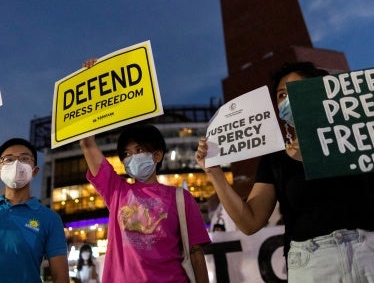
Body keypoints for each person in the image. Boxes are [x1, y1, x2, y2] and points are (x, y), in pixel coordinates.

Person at [195, 61, 374, 282]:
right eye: (281, 95)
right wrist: (214, 173)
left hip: (369, 253)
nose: (287, 100)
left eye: (296, 90)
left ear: (320, 92)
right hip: (313, 265)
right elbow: (250, 222)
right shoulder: (275, 159)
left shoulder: (360, 138)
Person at [80, 59, 210, 282]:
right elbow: (87, 144)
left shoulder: (181, 198)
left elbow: (196, 253)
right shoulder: (116, 192)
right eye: (127, 154)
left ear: (157, 155)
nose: (131, 157)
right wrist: (89, 81)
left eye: (138, 149)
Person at [0, 138, 69, 283]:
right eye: (8, 159)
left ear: (35, 171)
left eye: (24, 158)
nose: (16, 164)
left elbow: (61, 278)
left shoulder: (50, 219)